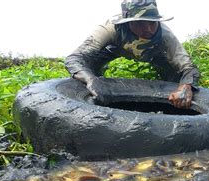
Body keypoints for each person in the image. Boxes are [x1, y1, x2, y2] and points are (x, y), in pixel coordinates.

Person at [65, 0, 200, 108]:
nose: (148, 29)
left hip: (154, 54)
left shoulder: (165, 35)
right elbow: (75, 58)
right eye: (140, 23)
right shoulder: (111, 28)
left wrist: (186, 87)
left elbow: (188, 68)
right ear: (128, 23)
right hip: (114, 49)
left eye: (152, 23)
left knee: (176, 77)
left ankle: (171, 108)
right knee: (87, 70)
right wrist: (91, 80)